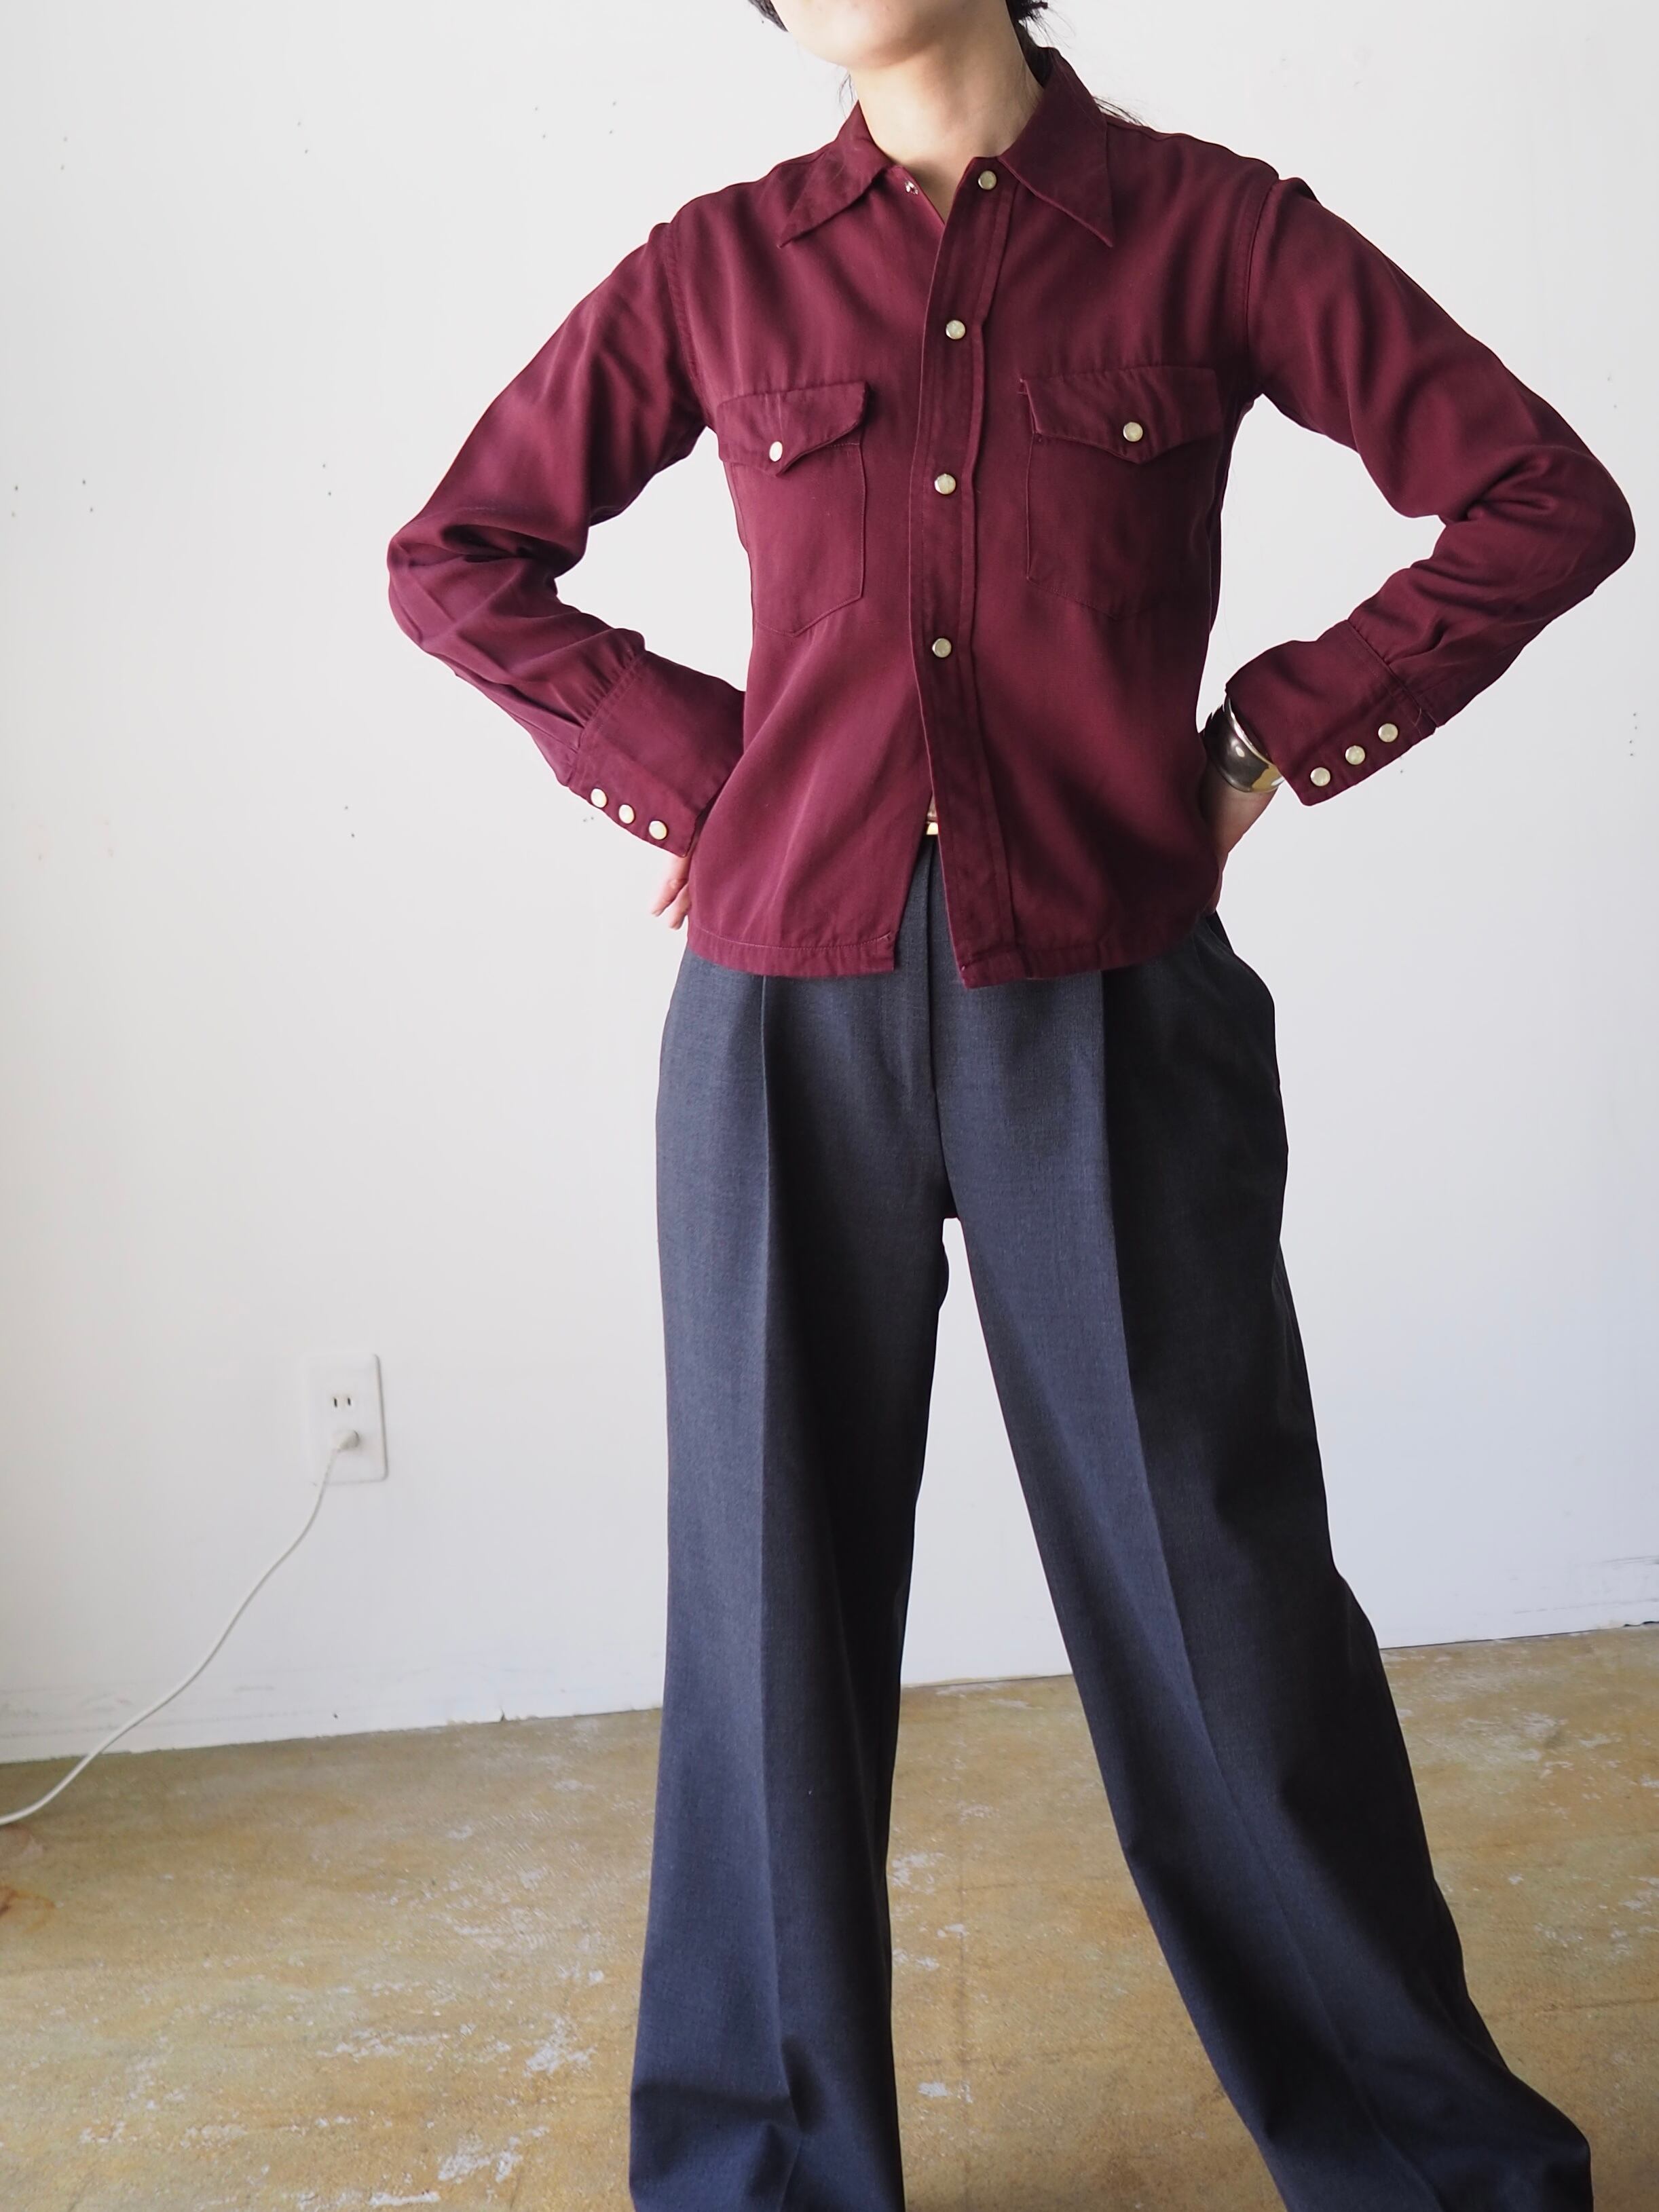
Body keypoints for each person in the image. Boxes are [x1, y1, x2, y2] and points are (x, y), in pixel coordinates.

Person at [384, 3, 1635, 2206]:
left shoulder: (1216, 233)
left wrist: (1266, 739)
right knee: (763, 1618)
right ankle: (763, 2173)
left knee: (1222, 1603)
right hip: (782, 1017)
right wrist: (702, 771)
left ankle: (1429, 2167)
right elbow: (455, 554)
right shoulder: (716, 268)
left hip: (1110, 1008)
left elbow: (1543, 499)